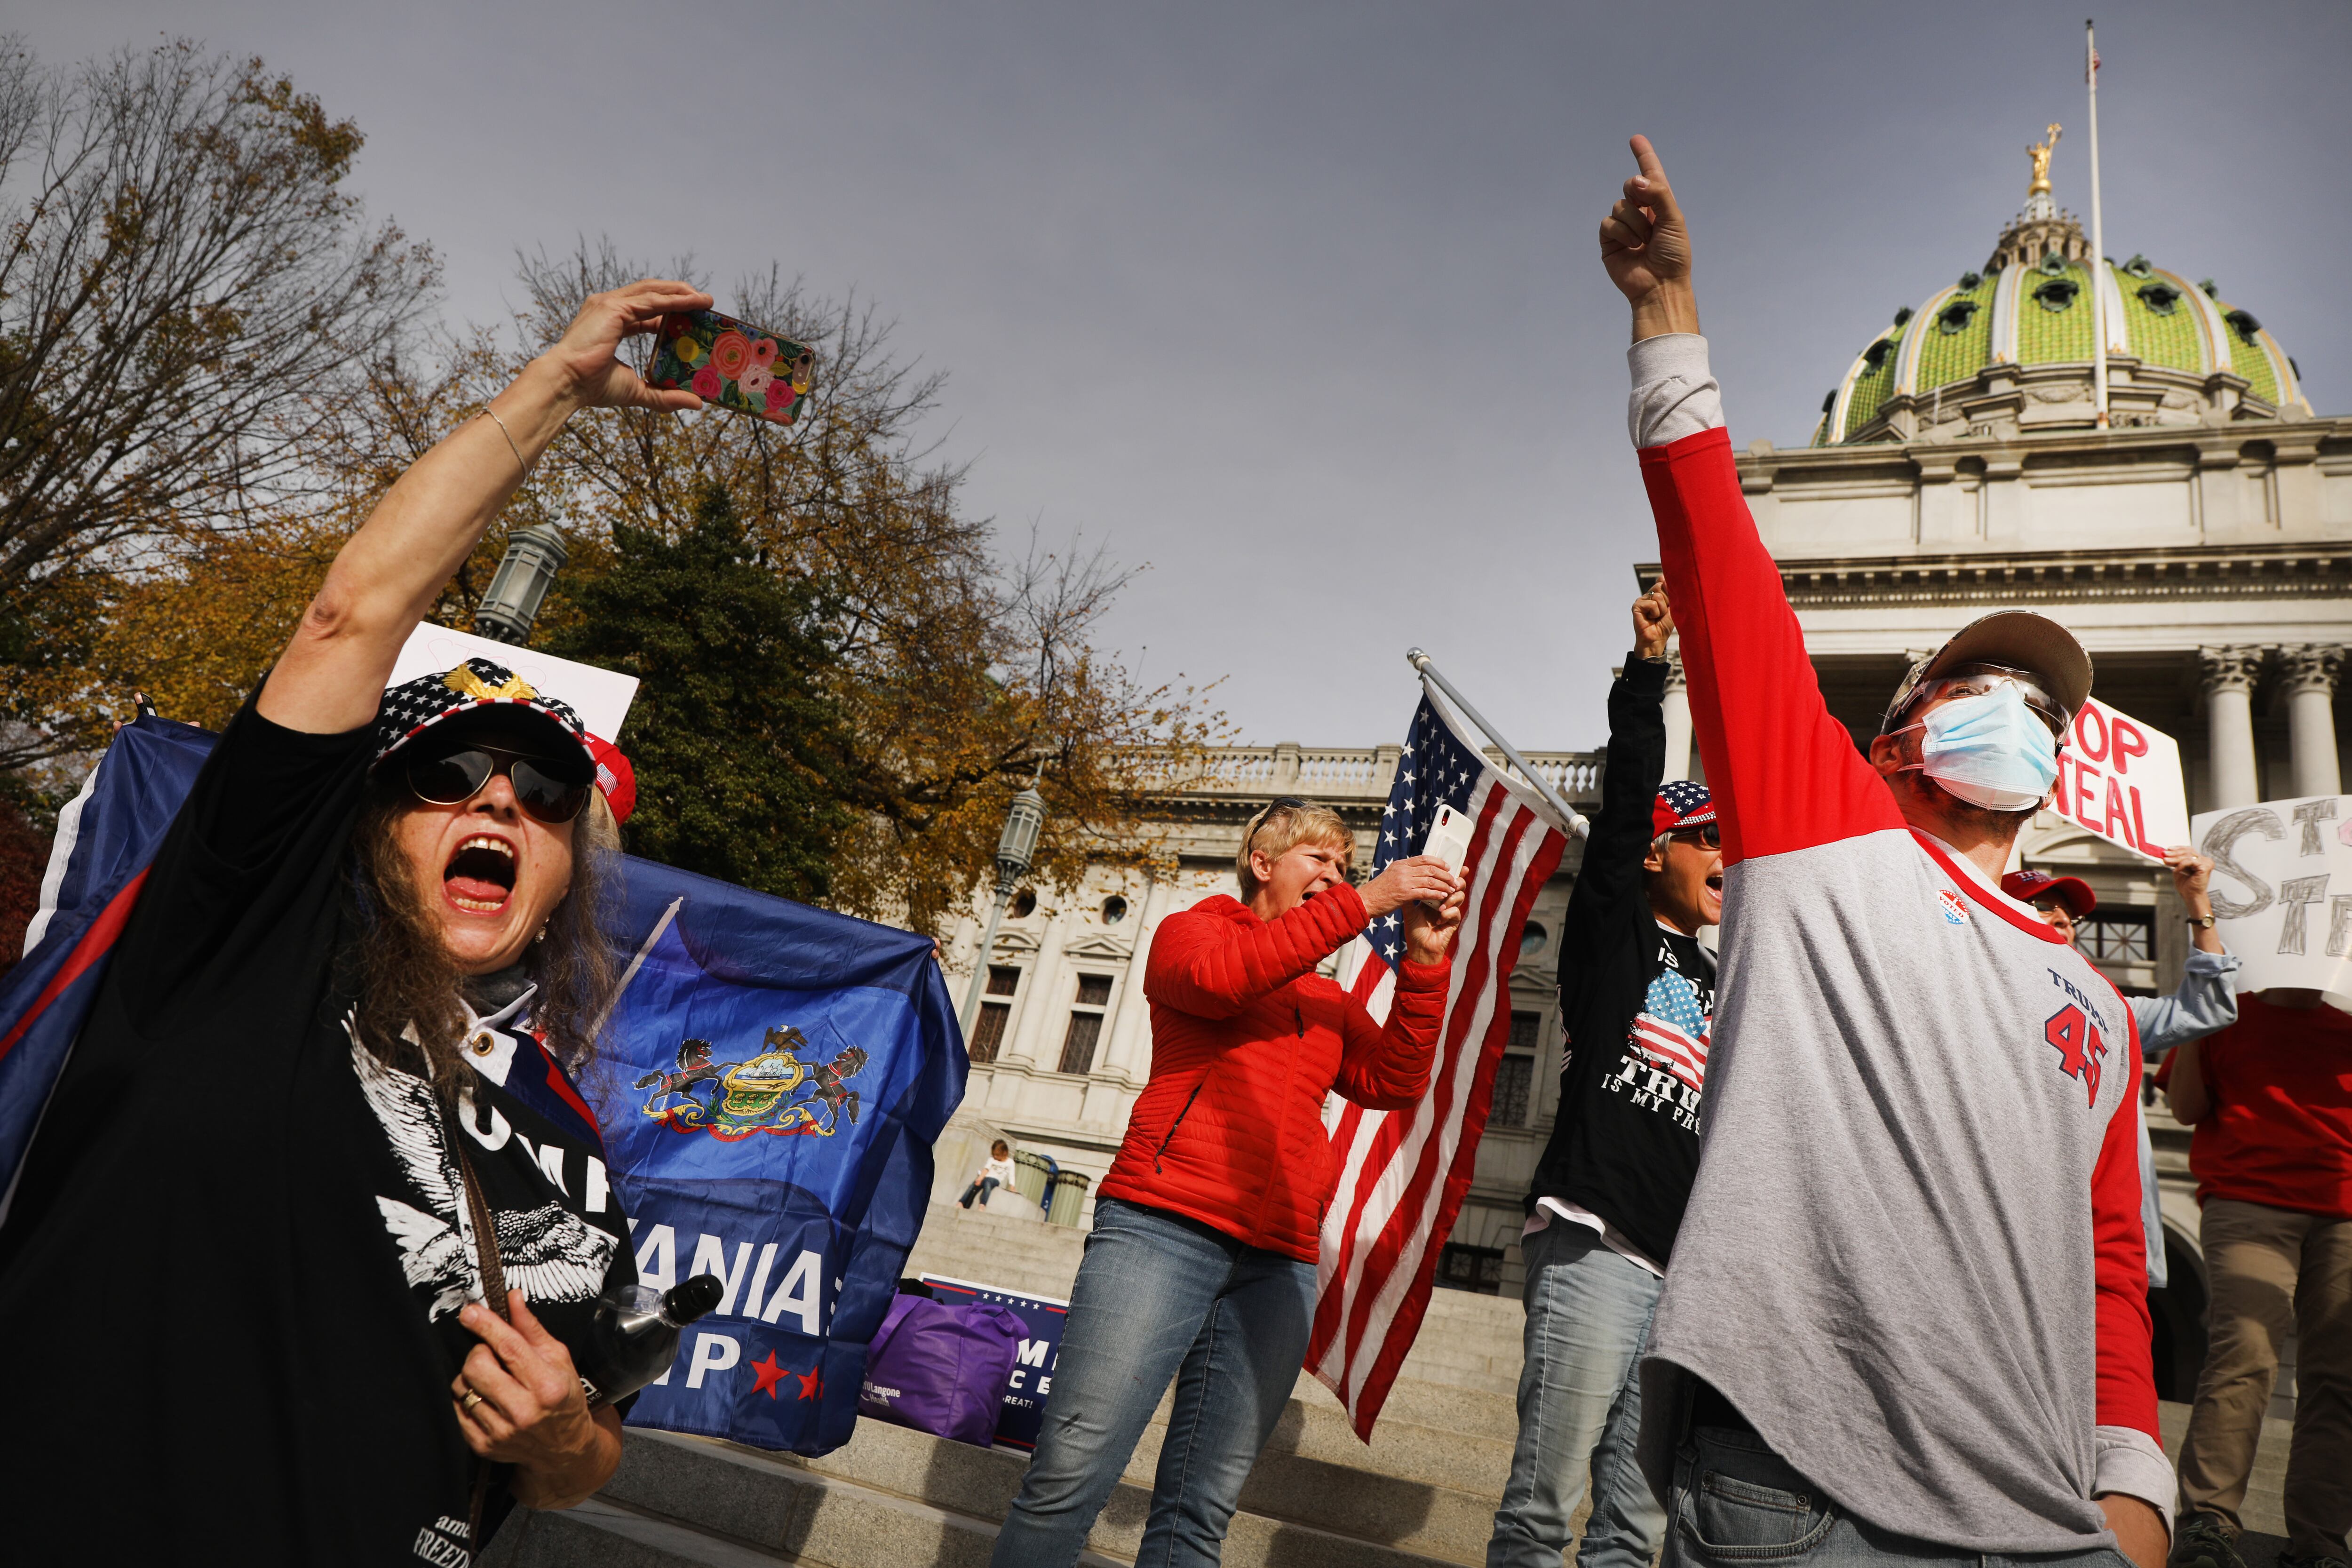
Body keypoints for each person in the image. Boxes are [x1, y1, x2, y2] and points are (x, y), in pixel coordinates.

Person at [0, 278, 715, 1562]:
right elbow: (355, 612)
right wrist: (553, 387)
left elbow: (587, 1446)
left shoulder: (577, 1144)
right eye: (444, 775)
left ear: (566, 864)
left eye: (542, 790)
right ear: (370, 825)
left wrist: (558, 1438)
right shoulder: (245, 942)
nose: (496, 794)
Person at [1598, 135, 2169, 1566]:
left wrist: (2135, 1491)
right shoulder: (1824, 843)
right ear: (1897, 736)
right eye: (1981, 691)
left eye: (2044, 707)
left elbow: (2108, 1263)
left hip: (2044, 1524)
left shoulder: (2096, 998)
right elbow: (1725, 583)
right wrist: (1668, 320)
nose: (2024, 716)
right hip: (1806, 1492)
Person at [988, 798, 1466, 1568]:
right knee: (1069, 1478)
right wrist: (1367, 899)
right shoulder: (1193, 931)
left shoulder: (1324, 997)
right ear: (1263, 862)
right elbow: (1222, 982)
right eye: (1321, 861)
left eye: (1346, 868)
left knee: (1198, 1516)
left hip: (1279, 1263)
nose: (1337, 877)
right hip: (1160, 1228)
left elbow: (1395, 1078)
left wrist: (1426, 962)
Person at [1488, 582, 1721, 1568]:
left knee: (1634, 1531)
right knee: (1545, 1509)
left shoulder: (1728, 979)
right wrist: (1647, 675)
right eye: (1709, 838)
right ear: (1660, 852)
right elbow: (1623, 808)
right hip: (1594, 1240)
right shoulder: (1612, 935)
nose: (1727, 856)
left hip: (1683, 1275)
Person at [2159, 991, 2351, 1568]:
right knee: (2244, 1353)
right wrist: (2200, 1010)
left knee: (2338, 1376)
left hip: (2344, 1205)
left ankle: (2320, 1541)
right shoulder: (2228, 1007)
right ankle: (2207, 1522)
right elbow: (2186, 1107)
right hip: (2247, 1198)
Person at [2004, 855, 2239, 1290]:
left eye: (2068, 912)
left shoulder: (2111, 1010)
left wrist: (2196, 902)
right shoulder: (1983, 996)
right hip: (2022, 1238)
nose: (2061, 917)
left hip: (2108, 1239)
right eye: (2040, 905)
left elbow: (2205, 1007)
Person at [962, 1138, 1018, 1209]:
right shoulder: (992, 1160)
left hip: (995, 1180)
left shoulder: (1010, 1162)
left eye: (998, 1155)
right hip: (986, 1178)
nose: (995, 1157)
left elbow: (1012, 1175)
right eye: (994, 1154)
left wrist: (1012, 1187)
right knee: (973, 1185)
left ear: (1005, 1153)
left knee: (988, 1184)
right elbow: (986, 1169)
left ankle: (983, 1204)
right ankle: (961, 1202)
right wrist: (980, 1179)